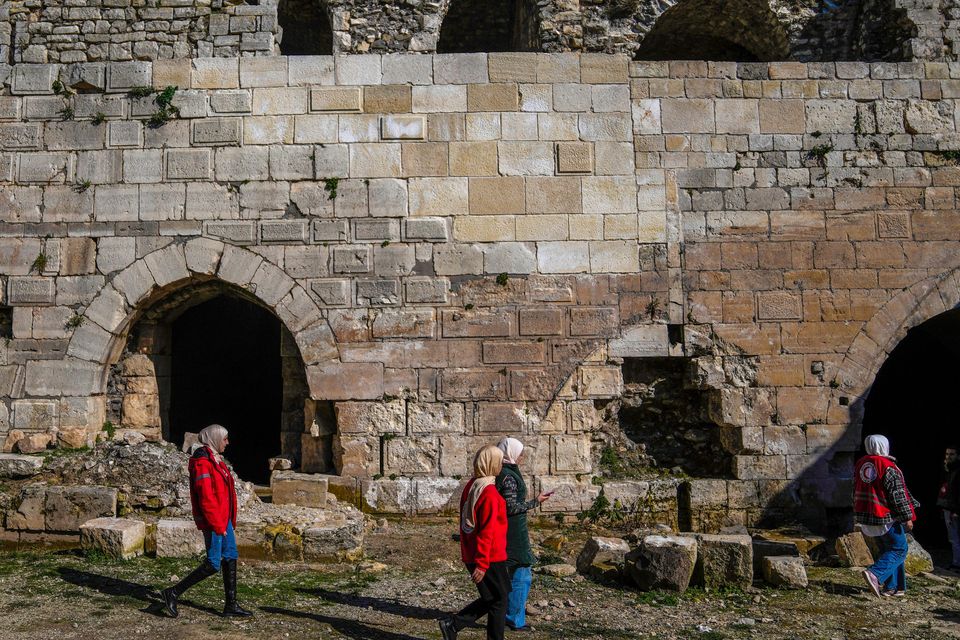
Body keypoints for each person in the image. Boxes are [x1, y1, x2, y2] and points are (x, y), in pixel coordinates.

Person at [160, 424, 253, 618]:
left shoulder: (217, 460)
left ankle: (231, 605)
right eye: (225, 439)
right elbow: (206, 498)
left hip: (223, 517)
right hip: (215, 519)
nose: (227, 443)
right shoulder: (202, 462)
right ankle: (172, 592)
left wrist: (227, 520)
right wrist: (218, 524)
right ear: (215, 439)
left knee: (230, 556)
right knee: (212, 563)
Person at [439, 446, 510, 640]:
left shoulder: (472, 485)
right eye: (500, 460)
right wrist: (482, 563)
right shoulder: (489, 493)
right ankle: (455, 624)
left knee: (492, 598)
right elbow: (487, 531)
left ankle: (453, 625)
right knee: (499, 600)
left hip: (473, 552)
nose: (502, 464)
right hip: (490, 555)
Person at [495, 437, 550, 632]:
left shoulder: (502, 472)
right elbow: (510, 508)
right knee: (522, 572)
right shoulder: (508, 477)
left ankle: (507, 615)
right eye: (519, 452)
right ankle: (514, 619)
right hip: (513, 533)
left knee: (512, 573)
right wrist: (536, 502)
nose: (521, 456)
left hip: (509, 530)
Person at [854, 434, 919, 598]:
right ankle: (875, 574)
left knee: (887, 550)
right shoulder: (887, 467)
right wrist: (907, 516)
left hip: (868, 516)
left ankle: (894, 587)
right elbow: (897, 496)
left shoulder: (861, 464)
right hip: (886, 516)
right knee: (899, 549)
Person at [937, 445, 960, 571]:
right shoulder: (949, 470)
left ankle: (957, 564)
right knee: (953, 537)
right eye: (947, 454)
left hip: (954, 510)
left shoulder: (957, 471)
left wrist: (956, 511)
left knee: (955, 537)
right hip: (949, 508)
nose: (948, 457)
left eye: (952, 454)